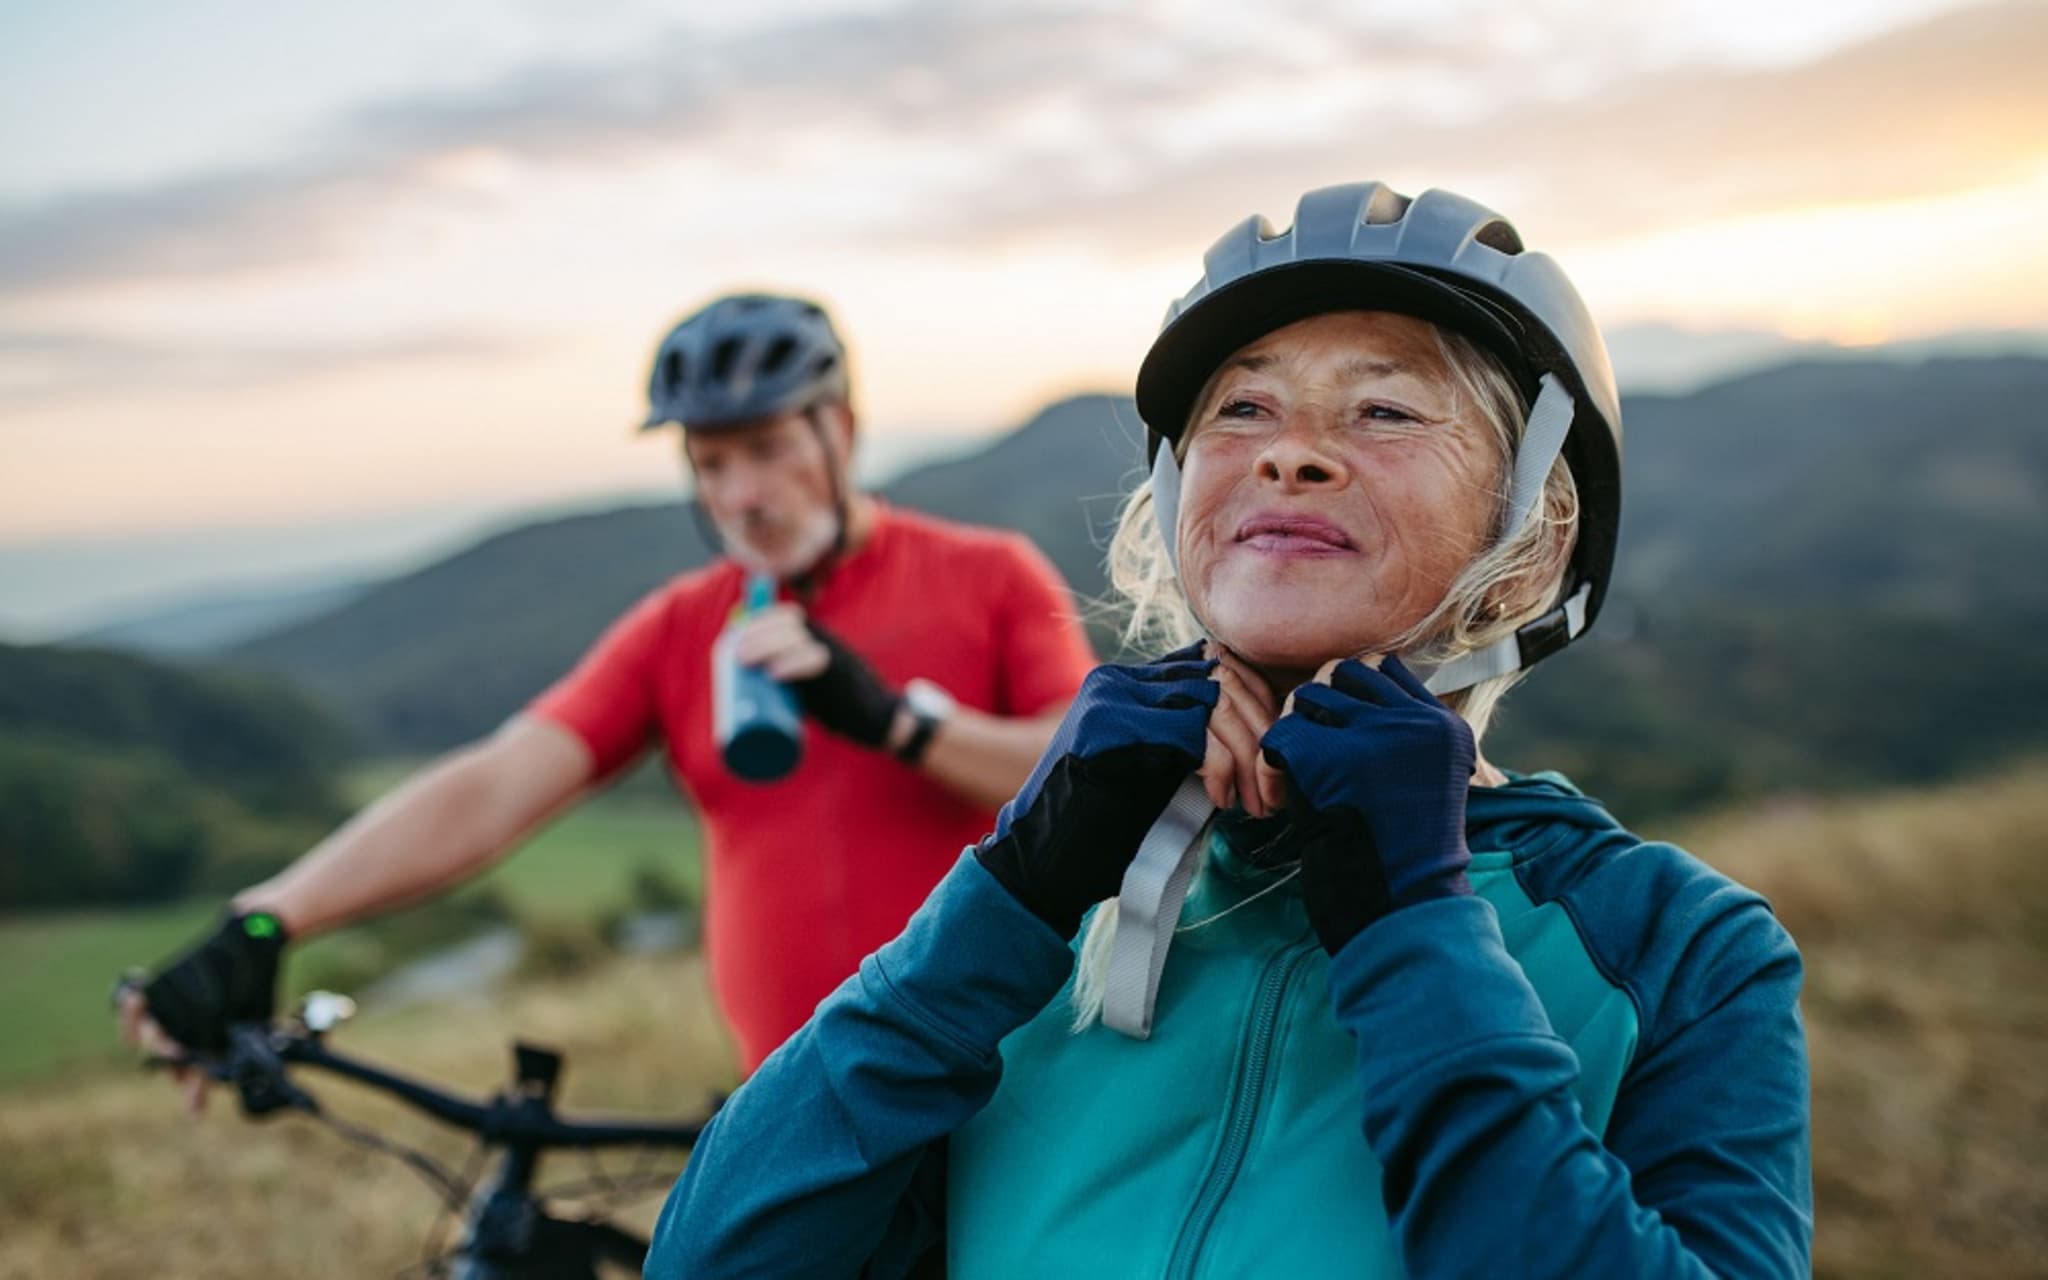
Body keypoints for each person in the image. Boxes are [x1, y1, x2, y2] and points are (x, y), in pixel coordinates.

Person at [644, 185, 1812, 1277]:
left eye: (1385, 408)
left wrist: (1415, 927)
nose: (1285, 449)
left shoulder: (1673, 945)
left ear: (1533, 541)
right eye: (1242, 406)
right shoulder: (1053, 930)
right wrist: (1013, 885)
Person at [121, 291, 1096, 1085]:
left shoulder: (988, 574)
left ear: (838, 431)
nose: (740, 495)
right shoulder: (683, 625)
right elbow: (495, 785)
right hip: (795, 1103)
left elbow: (1084, 771)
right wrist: (268, 916)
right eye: (710, 462)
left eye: (766, 448)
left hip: (1003, 1079)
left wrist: (896, 720)